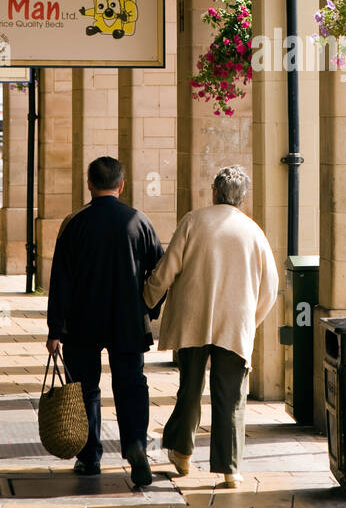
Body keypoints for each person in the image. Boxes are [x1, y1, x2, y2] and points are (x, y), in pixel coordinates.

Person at [144, 165, 279, 489]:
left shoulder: (194, 221)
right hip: (234, 324)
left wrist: (148, 299)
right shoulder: (252, 231)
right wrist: (251, 319)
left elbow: (168, 268)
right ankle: (230, 468)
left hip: (194, 319)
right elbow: (270, 288)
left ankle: (182, 451)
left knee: (190, 387)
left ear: (215, 191)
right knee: (231, 396)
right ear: (242, 198)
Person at [45, 155, 164, 488]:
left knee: (85, 388)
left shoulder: (74, 223)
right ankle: (136, 445)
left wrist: (55, 328)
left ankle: (89, 456)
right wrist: (149, 308)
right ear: (121, 185)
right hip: (127, 318)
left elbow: (61, 279)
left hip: (82, 321)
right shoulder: (139, 221)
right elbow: (161, 270)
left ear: (89, 184)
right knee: (130, 384)